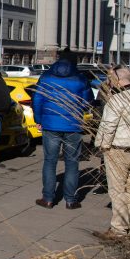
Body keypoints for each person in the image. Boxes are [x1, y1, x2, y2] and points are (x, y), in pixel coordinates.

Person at [32, 57, 93, 209]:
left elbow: (37, 99)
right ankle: (70, 200)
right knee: (72, 163)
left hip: (51, 126)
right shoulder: (80, 79)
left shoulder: (46, 78)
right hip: (73, 126)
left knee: (50, 161)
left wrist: (38, 119)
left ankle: (47, 199)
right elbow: (87, 101)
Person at [93, 68, 130, 239]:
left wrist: (102, 146)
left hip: (119, 150)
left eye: (110, 78)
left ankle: (118, 229)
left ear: (118, 80)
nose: (108, 82)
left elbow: (108, 127)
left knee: (118, 190)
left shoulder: (117, 99)